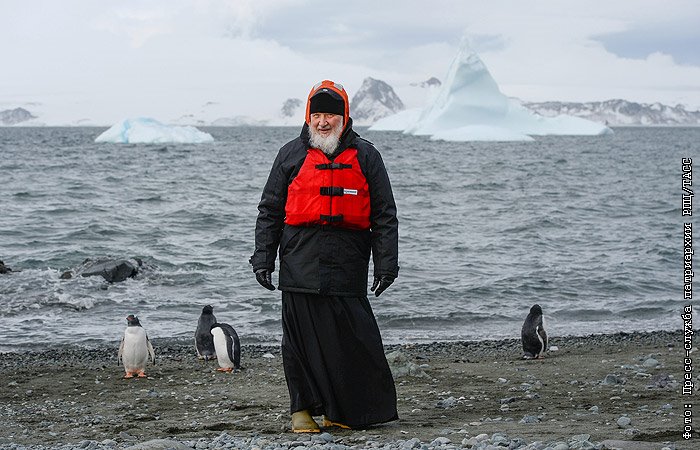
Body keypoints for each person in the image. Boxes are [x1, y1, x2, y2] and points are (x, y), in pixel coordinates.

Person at [250, 80, 400, 432]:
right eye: (316, 114)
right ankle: (301, 413)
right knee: (300, 343)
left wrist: (387, 264)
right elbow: (269, 210)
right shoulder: (289, 154)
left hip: (347, 264)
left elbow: (384, 214)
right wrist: (263, 258)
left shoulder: (367, 156)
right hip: (300, 262)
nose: (322, 122)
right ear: (307, 117)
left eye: (330, 115)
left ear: (344, 118)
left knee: (352, 340)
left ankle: (341, 411)